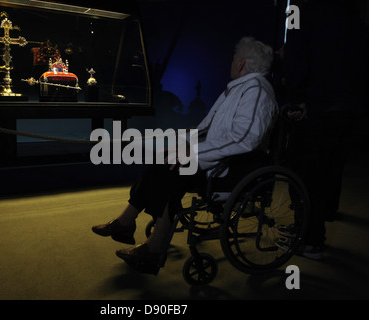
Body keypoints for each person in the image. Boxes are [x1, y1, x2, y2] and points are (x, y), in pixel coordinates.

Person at [92, 36, 278, 274]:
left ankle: (152, 246)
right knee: (164, 160)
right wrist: (181, 146)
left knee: (173, 171)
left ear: (241, 63)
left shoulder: (256, 90)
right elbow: (205, 129)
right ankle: (127, 222)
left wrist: (192, 153)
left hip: (237, 169)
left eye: (233, 58)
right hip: (221, 159)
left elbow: (245, 138)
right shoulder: (239, 89)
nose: (231, 62)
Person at [283, 0, 368, 259]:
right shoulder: (353, 14)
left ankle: (310, 238)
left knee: (307, 174)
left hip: (318, 107)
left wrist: (296, 97)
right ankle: (326, 215)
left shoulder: (300, 10)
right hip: (351, 107)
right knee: (333, 167)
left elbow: (296, 55)